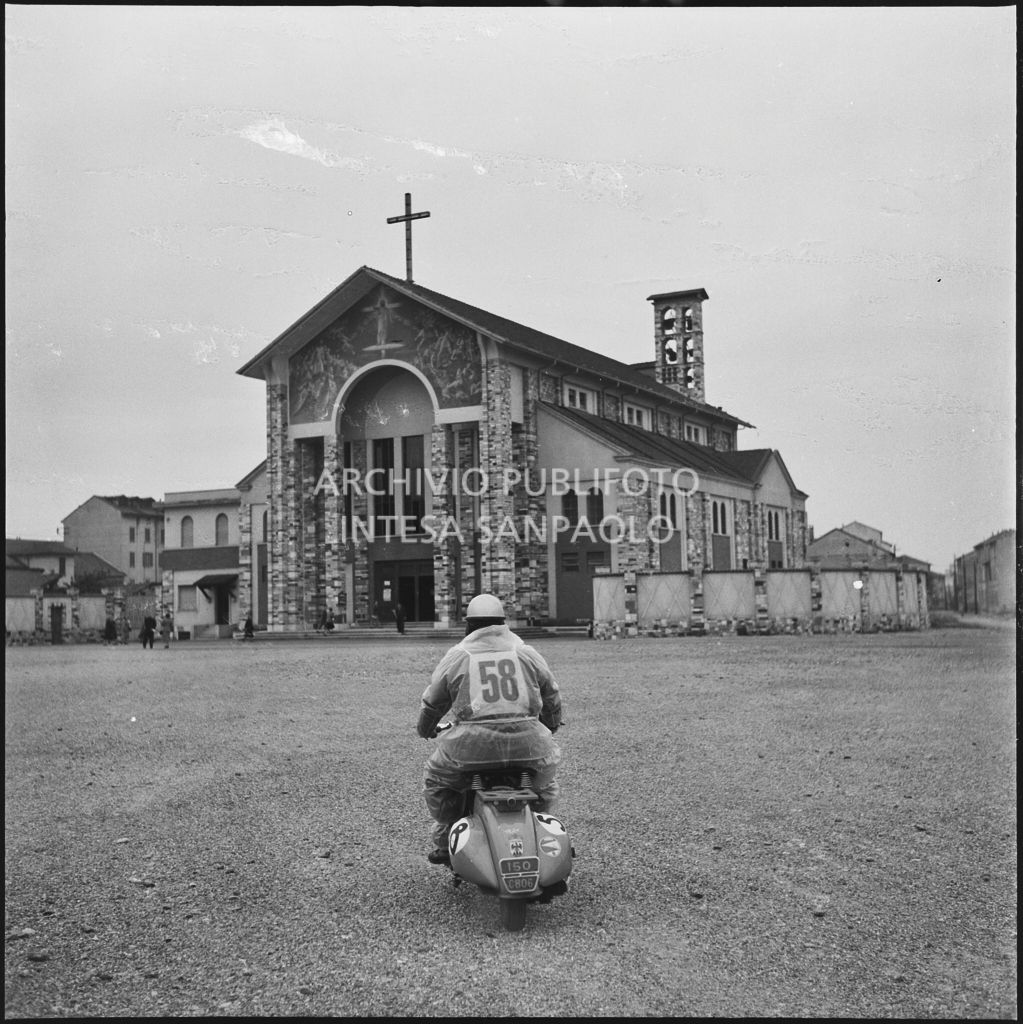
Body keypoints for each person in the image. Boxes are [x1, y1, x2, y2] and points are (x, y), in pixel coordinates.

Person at [416, 593, 563, 864]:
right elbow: (551, 693)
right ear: (502, 623)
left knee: (436, 779)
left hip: (471, 748)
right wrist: (551, 725)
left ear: (470, 625)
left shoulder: (458, 655)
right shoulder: (525, 652)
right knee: (545, 782)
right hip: (527, 743)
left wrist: (425, 728)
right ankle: (542, 828)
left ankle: (446, 834)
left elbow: (433, 701)